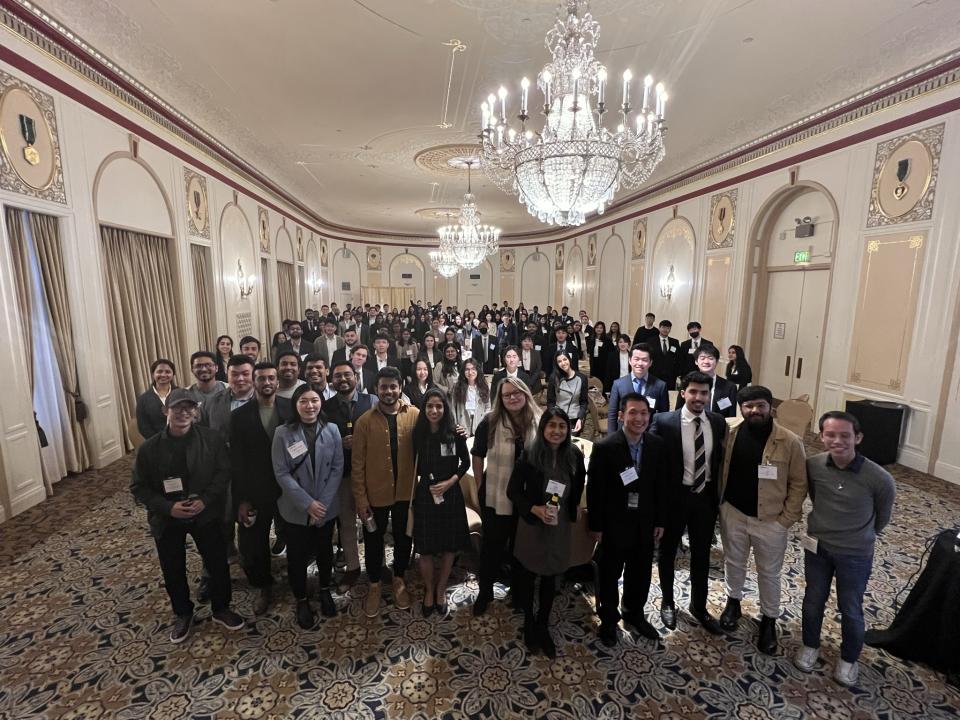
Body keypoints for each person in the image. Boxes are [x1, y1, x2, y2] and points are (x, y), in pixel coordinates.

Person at [130, 388, 245, 643]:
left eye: (188, 408)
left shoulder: (212, 440)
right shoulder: (148, 449)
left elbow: (223, 473)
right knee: (173, 568)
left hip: (204, 513)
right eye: (177, 408)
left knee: (217, 563)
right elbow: (139, 487)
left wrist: (205, 500)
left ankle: (221, 608)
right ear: (165, 411)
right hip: (167, 517)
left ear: (196, 412)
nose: (183, 413)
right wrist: (167, 507)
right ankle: (183, 612)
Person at [795, 411, 895, 686]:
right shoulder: (813, 465)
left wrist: (858, 536)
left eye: (845, 435)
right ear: (821, 436)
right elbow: (816, 497)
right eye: (830, 434)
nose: (837, 440)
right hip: (818, 548)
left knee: (850, 607)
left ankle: (849, 659)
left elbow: (882, 517)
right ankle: (810, 645)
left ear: (858, 438)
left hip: (855, 554)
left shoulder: (880, 478)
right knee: (813, 599)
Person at [717, 385, 807, 654]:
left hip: (771, 520)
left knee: (769, 573)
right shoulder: (730, 431)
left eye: (760, 406)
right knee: (733, 561)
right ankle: (733, 601)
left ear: (771, 407)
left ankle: (769, 619)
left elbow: (799, 484)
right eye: (748, 406)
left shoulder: (790, 441)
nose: (754, 411)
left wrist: (785, 520)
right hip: (733, 511)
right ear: (741, 409)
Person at [650, 371, 728, 635]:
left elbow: (719, 463)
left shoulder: (717, 422)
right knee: (668, 552)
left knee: (702, 555)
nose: (698, 397)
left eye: (704, 393)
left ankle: (699, 605)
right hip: (674, 499)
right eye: (693, 392)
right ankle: (668, 601)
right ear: (683, 393)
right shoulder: (664, 421)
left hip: (704, 499)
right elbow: (652, 462)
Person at [588, 393, 668, 645]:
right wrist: (596, 525)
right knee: (610, 573)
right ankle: (609, 619)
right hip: (614, 523)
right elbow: (595, 489)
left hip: (644, 523)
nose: (639, 418)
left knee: (641, 573)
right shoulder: (606, 447)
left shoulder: (657, 445)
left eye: (644, 413)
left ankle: (634, 613)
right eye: (633, 412)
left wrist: (660, 520)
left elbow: (660, 487)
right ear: (621, 415)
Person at [508, 408, 585, 657]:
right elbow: (513, 491)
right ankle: (529, 622)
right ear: (543, 428)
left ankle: (543, 623)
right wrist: (534, 508)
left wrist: (572, 509)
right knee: (529, 574)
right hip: (533, 522)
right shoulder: (530, 453)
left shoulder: (574, 455)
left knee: (552, 575)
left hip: (559, 524)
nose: (557, 431)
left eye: (562, 426)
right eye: (551, 425)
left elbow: (579, 484)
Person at [272, 385, 344, 629]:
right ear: (295, 404)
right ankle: (301, 599)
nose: (310, 406)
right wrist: (308, 504)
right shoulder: (282, 433)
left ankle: (325, 589)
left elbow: (337, 468)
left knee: (325, 551)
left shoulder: (332, 429)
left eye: (314, 400)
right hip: (296, 508)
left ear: (321, 403)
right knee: (297, 556)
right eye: (304, 401)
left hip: (326, 506)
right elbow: (281, 473)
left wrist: (321, 504)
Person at [352, 367, 420, 617]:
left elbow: (430, 439)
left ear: (400, 386)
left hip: (406, 493)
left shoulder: (414, 414)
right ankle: (374, 583)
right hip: (375, 494)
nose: (389, 391)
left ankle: (399, 577)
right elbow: (357, 465)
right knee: (373, 539)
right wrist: (361, 499)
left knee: (404, 537)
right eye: (384, 387)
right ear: (376, 389)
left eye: (393, 386)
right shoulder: (364, 422)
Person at [471, 377, 541, 615]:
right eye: (507, 395)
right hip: (495, 493)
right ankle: (485, 591)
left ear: (525, 393)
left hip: (526, 499)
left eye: (516, 393)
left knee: (520, 547)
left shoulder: (538, 421)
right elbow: (478, 453)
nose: (512, 398)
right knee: (492, 546)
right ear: (500, 399)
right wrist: (480, 483)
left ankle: (518, 592)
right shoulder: (490, 420)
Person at [410, 388, 471, 617]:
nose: (434, 410)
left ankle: (441, 588)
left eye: (439, 406)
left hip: (451, 495)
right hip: (425, 495)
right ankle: (428, 590)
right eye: (430, 406)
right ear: (424, 409)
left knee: (448, 546)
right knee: (425, 548)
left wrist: (449, 483)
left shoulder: (455, 433)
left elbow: (465, 463)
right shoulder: (418, 434)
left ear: (445, 409)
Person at [230, 362, 284, 615]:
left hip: (288, 489)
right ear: (254, 381)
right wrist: (241, 499)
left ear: (277, 381)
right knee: (255, 543)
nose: (266, 383)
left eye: (271, 378)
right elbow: (237, 462)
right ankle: (264, 586)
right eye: (261, 378)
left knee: (293, 536)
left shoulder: (290, 408)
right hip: (256, 490)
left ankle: (297, 580)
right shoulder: (239, 416)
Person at [323, 360, 376, 594]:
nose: (342, 380)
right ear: (331, 380)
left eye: (347, 375)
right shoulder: (324, 407)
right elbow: (321, 441)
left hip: (370, 473)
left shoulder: (371, 401)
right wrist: (339, 444)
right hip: (342, 474)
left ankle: (377, 564)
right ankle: (353, 567)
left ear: (356, 376)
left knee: (373, 520)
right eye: (337, 376)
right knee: (346, 522)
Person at [607, 343, 670, 434]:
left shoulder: (660, 386)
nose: (640, 363)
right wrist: (611, 440)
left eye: (644, 360)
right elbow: (612, 415)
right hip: (623, 434)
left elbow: (663, 416)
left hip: (649, 435)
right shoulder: (618, 384)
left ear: (650, 363)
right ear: (630, 360)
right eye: (636, 359)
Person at [674, 344, 738, 418]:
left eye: (711, 358)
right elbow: (678, 411)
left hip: (717, 427)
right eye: (702, 358)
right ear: (696, 361)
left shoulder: (729, 387)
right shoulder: (687, 382)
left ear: (717, 361)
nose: (706, 361)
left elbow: (731, 418)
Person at [547, 352, 588, 436]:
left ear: (569, 360)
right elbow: (550, 402)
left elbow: (584, 402)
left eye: (565, 359)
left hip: (575, 418)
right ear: (557, 364)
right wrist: (553, 417)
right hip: (558, 418)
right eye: (559, 361)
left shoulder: (581, 378)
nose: (563, 363)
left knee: (572, 445)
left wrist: (580, 419)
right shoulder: (554, 378)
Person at [136, 358, 177, 439]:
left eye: (168, 372)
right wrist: (160, 442)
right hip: (157, 443)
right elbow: (143, 428)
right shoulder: (143, 399)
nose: (163, 375)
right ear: (153, 374)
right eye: (159, 371)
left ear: (173, 374)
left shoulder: (182, 393)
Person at [450, 358, 491, 437]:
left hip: (480, 422)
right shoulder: (457, 387)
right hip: (463, 423)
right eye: (467, 369)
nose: (470, 372)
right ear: (463, 372)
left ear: (477, 371)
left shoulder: (485, 386)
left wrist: (484, 421)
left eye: (473, 369)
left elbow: (488, 407)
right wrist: (456, 426)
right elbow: (452, 408)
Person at [649, 321, 679, 390]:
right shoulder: (651, 341)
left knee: (669, 396)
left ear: (670, 329)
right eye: (663, 327)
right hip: (654, 374)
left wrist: (676, 373)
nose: (665, 330)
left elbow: (678, 358)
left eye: (668, 328)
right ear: (659, 328)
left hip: (670, 376)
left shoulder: (675, 342)